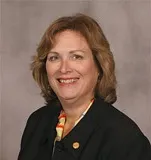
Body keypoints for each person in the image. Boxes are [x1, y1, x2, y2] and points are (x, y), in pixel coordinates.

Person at [18, 13, 151, 160]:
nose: (64, 69)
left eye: (76, 56)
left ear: (99, 66)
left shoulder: (126, 140)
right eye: (54, 57)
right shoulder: (37, 122)